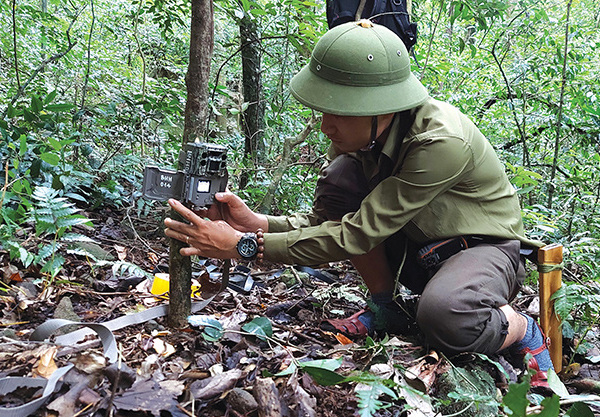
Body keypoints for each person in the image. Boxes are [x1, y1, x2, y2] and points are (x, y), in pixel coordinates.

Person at [164, 20, 553, 386]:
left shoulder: (440, 142)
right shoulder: (363, 137)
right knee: (340, 179)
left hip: (482, 250)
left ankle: (522, 330)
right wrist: (256, 224)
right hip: (415, 249)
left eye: (338, 111)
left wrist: (243, 248)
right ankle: (386, 307)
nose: (325, 125)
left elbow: (358, 233)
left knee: (444, 318)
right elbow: (329, 219)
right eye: (324, 110)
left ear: (380, 106)